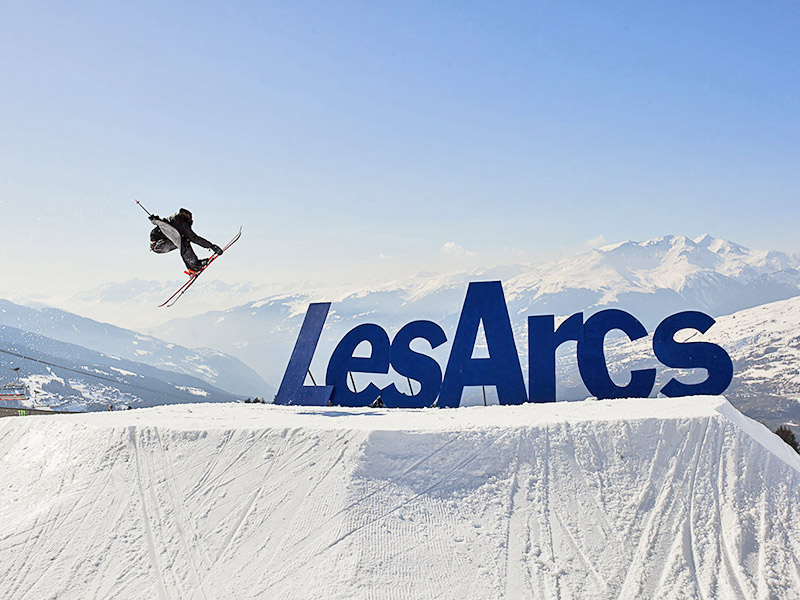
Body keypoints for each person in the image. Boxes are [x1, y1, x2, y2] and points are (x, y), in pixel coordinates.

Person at [149, 208, 223, 273]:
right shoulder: (182, 222)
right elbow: (193, 238)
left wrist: (156, 219)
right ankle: (194, 266)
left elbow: (165, 224)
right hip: (159, 244)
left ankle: (193, 266)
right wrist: (212, 246)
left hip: (158, 243)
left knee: (182, 241)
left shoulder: (175, 220)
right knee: (184, 241)